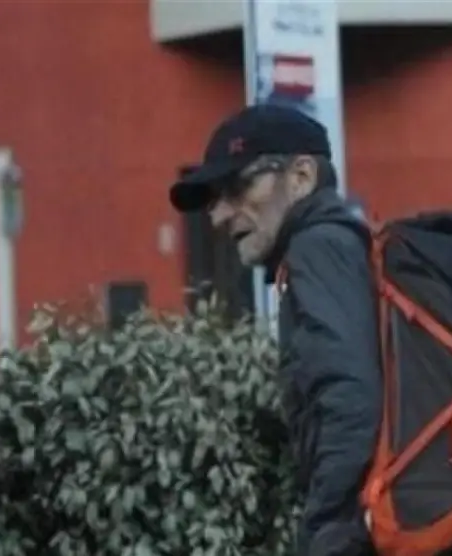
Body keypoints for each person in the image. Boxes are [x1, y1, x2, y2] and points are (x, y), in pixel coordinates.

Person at [169, 105, 381, 556]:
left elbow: (349, 397)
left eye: (237, 187)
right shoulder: (334, 248)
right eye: (214, 199)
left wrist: (326, 532)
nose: (218, 216)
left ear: (301, 176)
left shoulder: (317, 249)